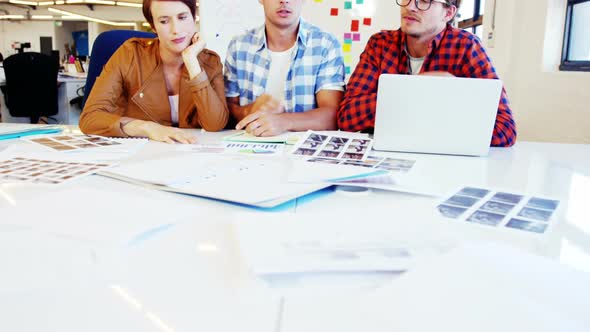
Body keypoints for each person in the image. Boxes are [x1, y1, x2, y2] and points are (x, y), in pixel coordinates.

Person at [338, 0, 516, 147]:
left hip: (445, 164)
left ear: (448, 13)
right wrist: (416, 88)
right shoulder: (380, 44)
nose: (410, 6)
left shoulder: (466, 47)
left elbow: (505, 129)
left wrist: (394, 104)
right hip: (386, 157)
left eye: (424, 1)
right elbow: (347, 117)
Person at [80, 0, 228, 143]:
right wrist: (146, 128)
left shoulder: (210, 62)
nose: (176, 30)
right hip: (139, 152)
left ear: (194, 17)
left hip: (189, 151)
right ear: (153, 26)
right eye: (164, 21)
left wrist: (191, 60)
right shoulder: (129, 54)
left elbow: (215, 124)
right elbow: (90, 118)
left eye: (182, 17)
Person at [224, 0, 346, 137]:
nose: (284, 1)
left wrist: (284, 121)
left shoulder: (326, 44)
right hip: (246, 150)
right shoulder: (239, 45)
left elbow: (333, 115)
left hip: (302, 154)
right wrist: (248, 110)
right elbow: (224, 112)